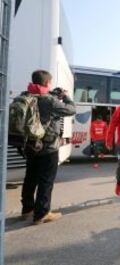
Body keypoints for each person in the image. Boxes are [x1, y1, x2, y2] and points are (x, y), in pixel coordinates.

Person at [21, 70, 76, 224]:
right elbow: (71, 110)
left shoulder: (26, 95)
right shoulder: (49, 100)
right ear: (46, 83)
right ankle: (42, 213)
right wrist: (65, 97)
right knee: (46, 181)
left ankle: (27, 209)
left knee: (30, 178)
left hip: (30, 145)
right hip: (48, 147)